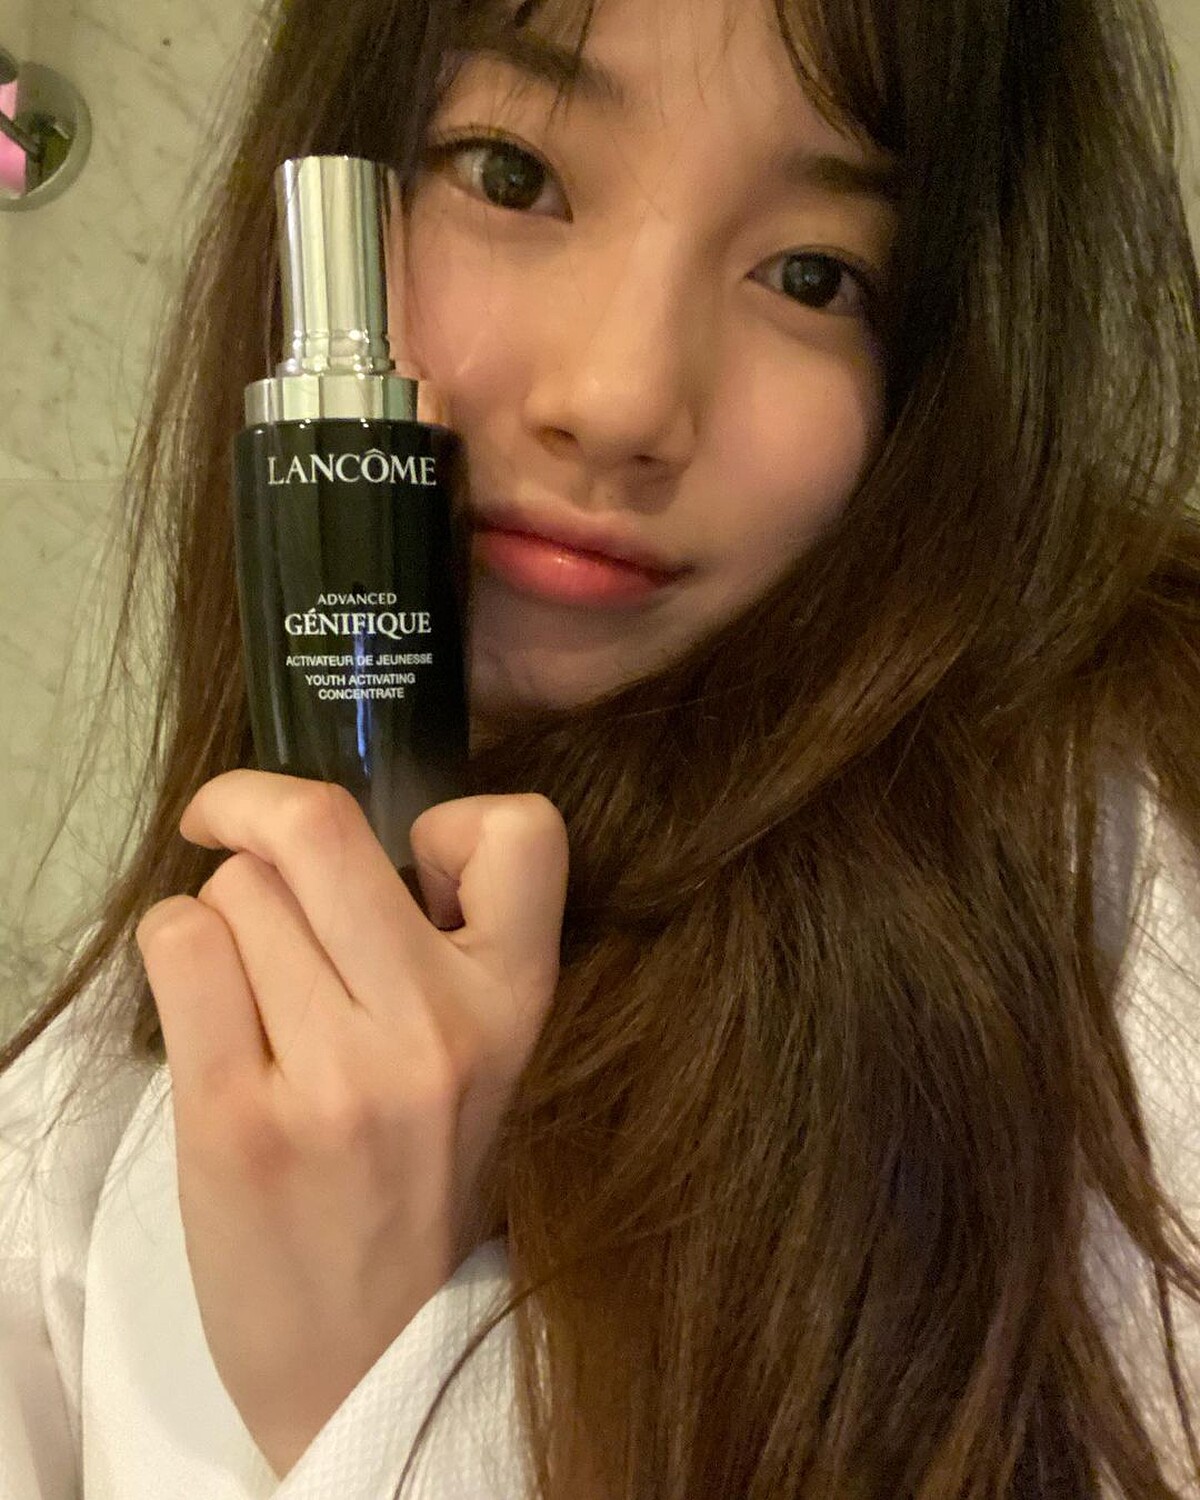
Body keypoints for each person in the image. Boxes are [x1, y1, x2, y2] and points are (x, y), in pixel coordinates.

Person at [2, 0, 1200, 1492]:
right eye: (512, 176)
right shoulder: (93, 1094)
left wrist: (370, 1385)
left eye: (814, 275)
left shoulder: (1118, 875)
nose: (622, 399)